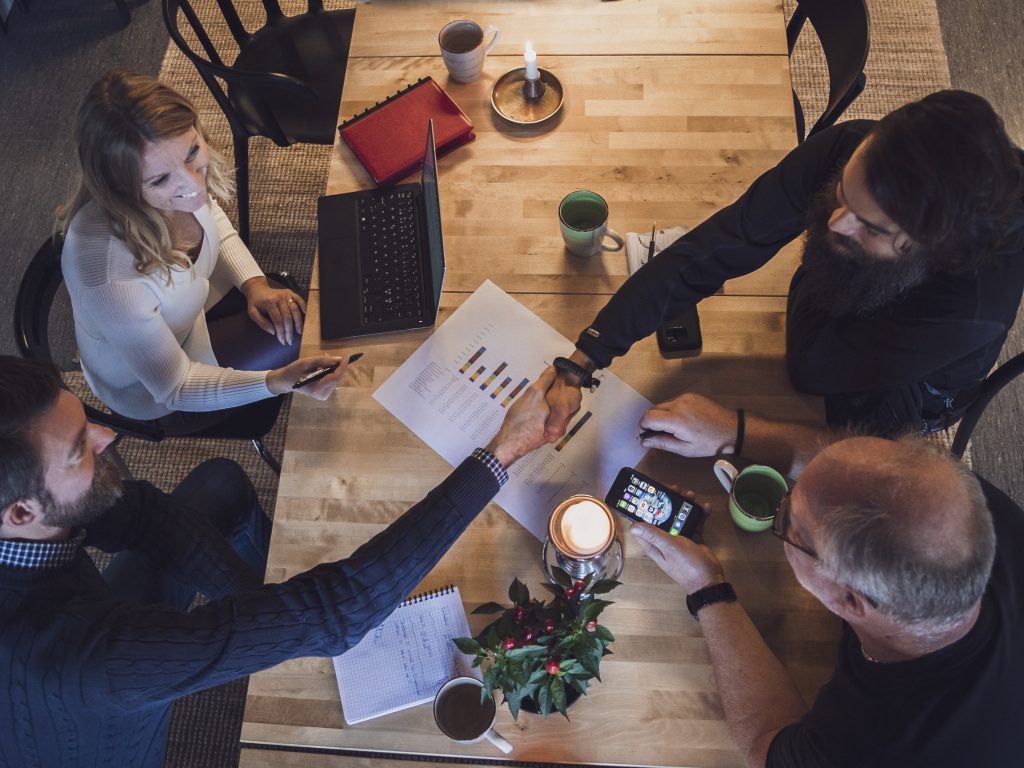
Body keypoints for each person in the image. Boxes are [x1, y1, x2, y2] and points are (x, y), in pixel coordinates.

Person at [0, 355, 556, 768]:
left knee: (218, 484)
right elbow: (338, 613)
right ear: (21, 512)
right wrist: (498, 455)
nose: (108, 435)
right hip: (90, 723)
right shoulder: (94, 659)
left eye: (86, 421)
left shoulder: (21, 513)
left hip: (81, 632)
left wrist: (264, 616)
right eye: (80, 448)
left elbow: (143, 515)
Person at [545, 90, 1024, 437]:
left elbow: (814, 367)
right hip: (855, 301)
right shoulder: (850, 149)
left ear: (934, 247)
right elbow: (717, 246)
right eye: (841, 194)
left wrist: (735, 430)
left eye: (870, 227)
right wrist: (582, 361)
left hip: (913, 387)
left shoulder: (971, 302)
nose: (835, 223)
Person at [630, 391, 1024, 767]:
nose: (782, 504)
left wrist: (707, 588)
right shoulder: (952, 502)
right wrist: (734, 431)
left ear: (848, 600)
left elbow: (764, 744)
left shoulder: (872, 750)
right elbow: (857, 476)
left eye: (787, 522)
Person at [59, 71, 345, 435]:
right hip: (155, 391)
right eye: (161, 180)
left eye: (192, 151)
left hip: (189, 310)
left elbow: (212, 219)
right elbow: (175, 386)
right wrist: (274, 383)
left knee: (298, 317)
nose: (194, 184)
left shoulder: (172, 179)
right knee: (299, 340)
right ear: (119, 187)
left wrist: (254, 284)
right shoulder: (108, 277)